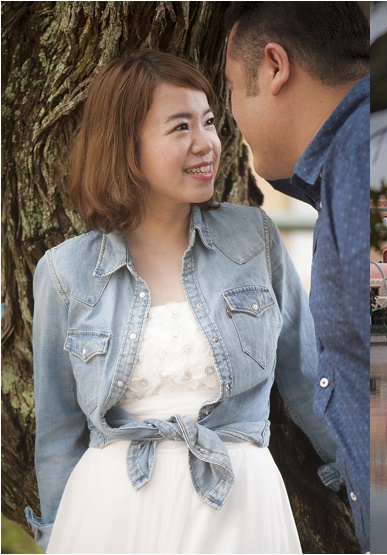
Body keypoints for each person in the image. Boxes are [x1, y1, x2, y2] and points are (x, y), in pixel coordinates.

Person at [24, 49, 340, 553]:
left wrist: (363, 479)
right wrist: (59, 533)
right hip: (112, 515)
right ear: (126, 146)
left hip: (240, 508)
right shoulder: (65, 272)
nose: (207, 144)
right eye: (180, 128)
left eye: (210, 122)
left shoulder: (253, 239)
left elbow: (309, 379)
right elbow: (59, 437)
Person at [222, 2, 370, 551]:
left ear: (275, 67)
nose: (231, 118)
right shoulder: (340, 170)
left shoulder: (360, 164)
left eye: (233, 89)